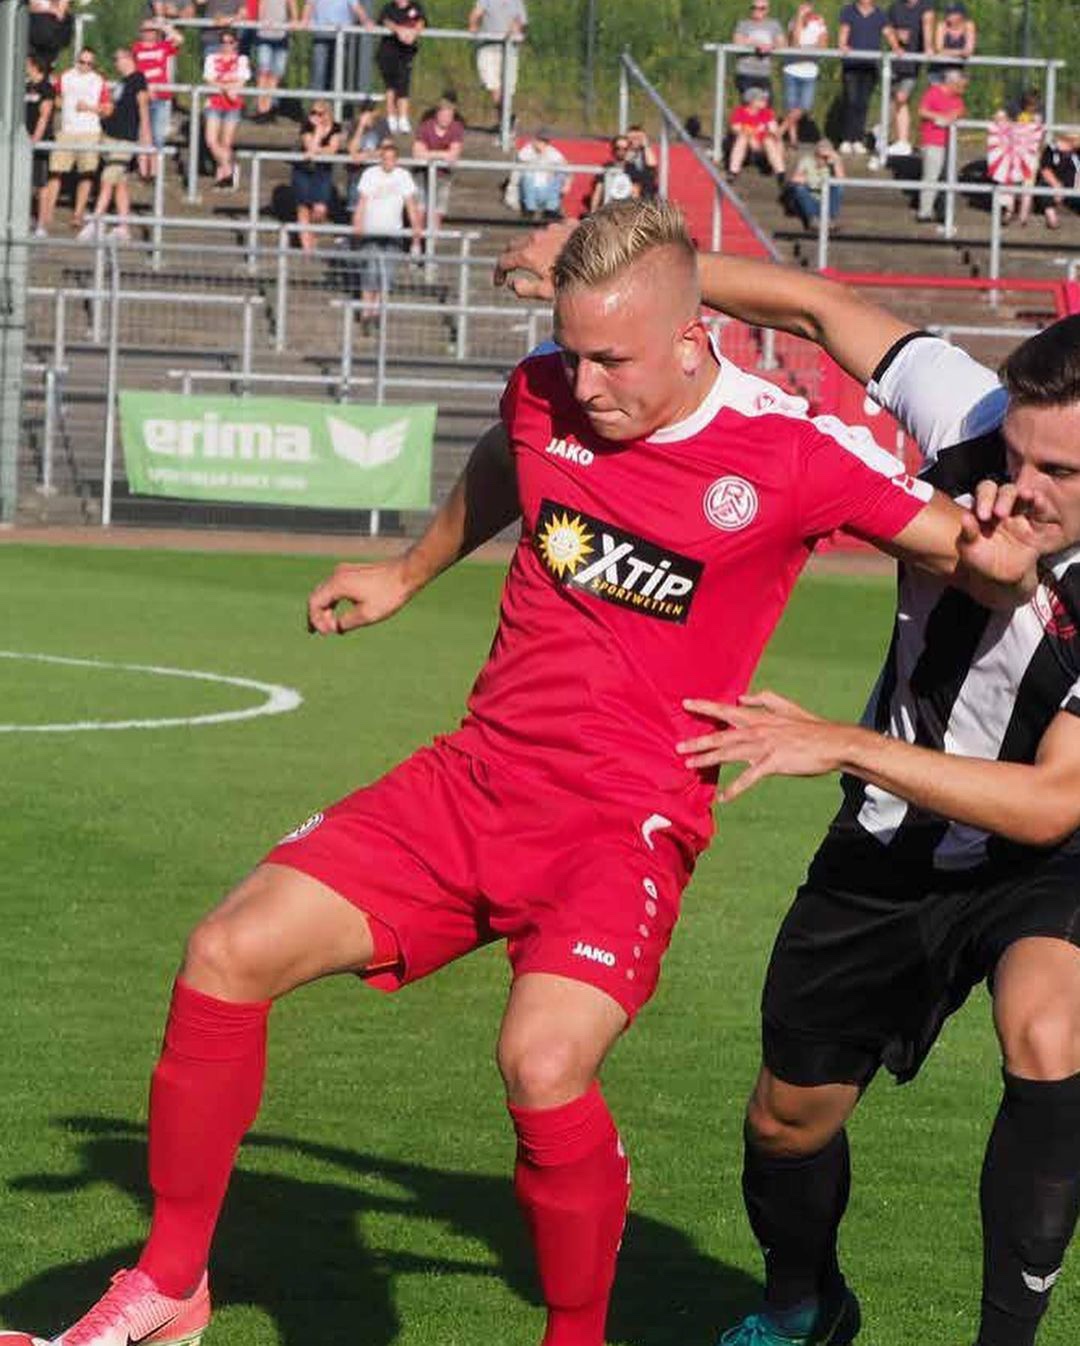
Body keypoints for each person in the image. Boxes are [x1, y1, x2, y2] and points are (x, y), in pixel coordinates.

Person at [31, 198, 1038, 1346]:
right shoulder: (544, 392)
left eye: (613, 360)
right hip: (476, 778)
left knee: (543, 1061)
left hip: (626, 822)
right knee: (225, 950)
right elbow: (508, 461)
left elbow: (974, 556)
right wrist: (408, 572)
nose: (585, 382)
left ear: (693, 337)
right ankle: (171, 1285)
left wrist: (1005, 555)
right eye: (572, 351)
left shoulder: (792, 450)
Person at [609, 255, 1080, 1346]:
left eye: (1059, 469)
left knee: (1049, 1034)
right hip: (887, 846)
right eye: (1015, 454)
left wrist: (841, 742)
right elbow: (818, 308)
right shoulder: (967, 410)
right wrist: (653, 265)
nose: (1022, 485)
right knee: (787, 1121)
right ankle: (804, 1303)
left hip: (1044, 857)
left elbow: (1054, 804)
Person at [81, 46, 153, 242]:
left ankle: (95, 221)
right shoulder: (123, 82)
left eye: (117, 59)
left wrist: (146, 145)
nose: (115, 63)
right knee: (120, 183)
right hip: (112, 136)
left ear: (128, 59)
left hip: (125, 138)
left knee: (107, 179)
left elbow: (144, 110)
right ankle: (124, 227)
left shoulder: (138, 79)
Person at [38, 48, 111, 237]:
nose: (85, 66)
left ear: (93, 64)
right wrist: (59, 104)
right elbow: (55, 96)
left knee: (86, 173)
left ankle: (78, 213)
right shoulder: (66, 76)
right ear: (76, 61)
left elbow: (108, 109)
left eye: (89, 63)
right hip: (67, 131)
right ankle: (47, 212)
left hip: (89, 132)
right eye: (81, 62)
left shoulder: (98, 81)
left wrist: (90, 108)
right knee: (55, 172)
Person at [351, 136, 423, 324]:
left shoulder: (403, 176)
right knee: (370, 271)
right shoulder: (370, 174)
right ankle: (366, 311)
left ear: (396, 160)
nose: (388, 162)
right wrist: (357, 223)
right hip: (371, 230)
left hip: (393, 232)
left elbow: (411, 205)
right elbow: (362, 202)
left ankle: (378, 311)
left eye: (392, 159)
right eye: (385, 158)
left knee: (386, 273)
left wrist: (416, 229)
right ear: (380, 159)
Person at [837, 0, 894, 155]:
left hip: (870, 66)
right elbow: (844, 32)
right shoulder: (848, 10)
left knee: (863, 103)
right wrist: (842, 44)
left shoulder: (880, 13)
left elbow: (888, 33)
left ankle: (857, 139)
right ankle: (846, 139)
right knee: (851, 101)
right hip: (852, 65)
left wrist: (896, 47)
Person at [202, 27, 251, 188]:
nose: (226, 45)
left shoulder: (242, 60)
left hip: (233, 105)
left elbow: (241, 81)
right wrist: (226, 88)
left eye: (230, 42)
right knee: (211, 141)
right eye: (223, 42)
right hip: (215, 102)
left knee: (225, 143)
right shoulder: (212, 58)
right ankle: (229, 169)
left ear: (236, 43)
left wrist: (223, 86)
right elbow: (209, 80)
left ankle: (222, 177)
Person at [468, 0, 527, 131]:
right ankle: (506, 120)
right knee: (492, 84)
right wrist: (473, 25)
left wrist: (517, 29)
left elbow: (522, 23)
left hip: (509, 48)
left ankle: (505, 123)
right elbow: (475, 14)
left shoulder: (517, 2)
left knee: (508, 87)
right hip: (488, 47)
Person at [987, 94, 1044, 229]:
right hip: (1013, 155)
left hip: (1029, 155)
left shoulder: (1037, 118)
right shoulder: (1013, 114)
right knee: (1009, 180)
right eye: (1030, 105)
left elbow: (1039, 136)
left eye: (1034, 106)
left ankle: (1023, 215)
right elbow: (998, 119)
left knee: (1028, 184)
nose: (1032, 109)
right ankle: (1009, 211)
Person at [916, 65, 966, 221]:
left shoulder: (957, 98)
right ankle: (924, 211)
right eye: (960, 85)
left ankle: (944, 212)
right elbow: (922, 111)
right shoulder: (933, 92)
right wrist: (939, 117)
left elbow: (959, 111)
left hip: (949, 143)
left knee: (948, 176)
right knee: (931, 176)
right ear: (951, 83)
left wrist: (953, 116)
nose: (963, 89)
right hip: (933, 141)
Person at [886, 0, 935, 155]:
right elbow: (887, 29)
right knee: (894, 100)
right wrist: (896, 38)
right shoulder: (895, 7)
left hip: (913, 63)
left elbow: (928, 25)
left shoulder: (926, 6)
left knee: (901, 97)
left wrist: (928, 47)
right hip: (896, 61)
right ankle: (900, 139)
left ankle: (899, 138)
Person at [292, 99, 342, 249]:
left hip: (322, 171)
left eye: (320, 113)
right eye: (313, 113)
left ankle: (311, 234)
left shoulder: (335, 127)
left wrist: (316, 150)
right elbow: (309, 146)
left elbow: (332, 150)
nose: (316, 116)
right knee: (303, 208)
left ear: (328, 114)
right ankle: (306, 248)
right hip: (303, 170)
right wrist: (318, 131)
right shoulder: (306, 126)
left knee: (320, 210)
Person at [132, 17, 184, 163]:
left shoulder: (163, 46)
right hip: (143, 96)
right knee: (143, 135)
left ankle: (156, 169)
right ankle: (143, 169)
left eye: (152, 30)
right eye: (146, 30)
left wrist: (163, 27)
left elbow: (179, 39)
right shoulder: (136, 48)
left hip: (161, 96)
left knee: (158, 136)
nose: (149, 33)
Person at [411, 93, 464, 230]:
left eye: (450, 116)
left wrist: (429, 154)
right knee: (419, 211)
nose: (447, 119)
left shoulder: (456, 128)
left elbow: (454, 154)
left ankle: (433, 241)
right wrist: (442, 154)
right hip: (421, 174)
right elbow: (417, 154)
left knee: (437, 213)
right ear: (437, 114)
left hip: (443, 175)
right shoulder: (425, 127)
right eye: (444, 115)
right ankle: (416, 241)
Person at [779, 3, 828, 149]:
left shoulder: (819, 23)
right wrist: (799, 19)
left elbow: (823, 46)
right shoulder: (793, 22)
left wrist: (808, 49)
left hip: (810, 71)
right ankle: (793, 140)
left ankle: (779, 131)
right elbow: (795, 43)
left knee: (805, 106)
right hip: (791, 70)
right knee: (791, 106)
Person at [375, 0, 426, 135]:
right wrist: (399, 30)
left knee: (403, 84)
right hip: (388, 52)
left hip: (406, 54)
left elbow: (421, 21)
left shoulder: (416, 7)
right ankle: (391, 118)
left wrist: (413, 33)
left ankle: (403, 118)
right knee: (390, 86)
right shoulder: (388, 7)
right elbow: (385, 21)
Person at [302, 0, 372, 94]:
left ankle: (333, 100)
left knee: (338, 71)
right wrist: (304, 20)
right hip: (321, 34)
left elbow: (357, 7)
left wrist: (366, 21)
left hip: (341, 36)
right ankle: (318, 101)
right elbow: (309, 4)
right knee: (319, 70)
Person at [24, 52, 56, 237]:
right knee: (24, 182)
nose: (25, 67)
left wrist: (35, 140)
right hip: (24, 141)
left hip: (40, 142)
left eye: (27, 64)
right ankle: (26, 217)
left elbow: (44, 116)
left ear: (35, 66)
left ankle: (41, 225)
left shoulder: (46, 88)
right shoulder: (27, 86)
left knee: (40, 184)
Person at [727, 86, 787, 182]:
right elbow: (735, 128)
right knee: (743, 138)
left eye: (765, 99)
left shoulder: (767, 112)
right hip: (747, 143)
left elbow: (774, 130)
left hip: (763, 144)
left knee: (768, 141)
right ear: (752, 102)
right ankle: (733, 171)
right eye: (761, 99)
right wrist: (752, 134)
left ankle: (780, 173)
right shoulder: (740, 111)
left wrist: (771, 131)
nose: (765, 101)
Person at [252, 0, 300, 120]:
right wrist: (260, 22)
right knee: (263, 71)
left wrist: (294, 20)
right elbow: (260, 5)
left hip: (281, 35)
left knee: (276, 73)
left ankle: (268, 108)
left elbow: (292, 3)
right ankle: (260, 108)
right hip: (264, 35)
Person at [785, 136, 844, 230]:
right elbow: (795, 179)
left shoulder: (833, 164)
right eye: (821, 156)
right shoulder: (806, 161)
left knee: (839, 188)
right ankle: (813, 219)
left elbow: (841, 181)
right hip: (811, 198)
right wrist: (813, 181)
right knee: (799, 189)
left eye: (826, 157)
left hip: (827, 199)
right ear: (816, 154)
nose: (823, 160)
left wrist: (836, 161)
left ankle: (830, 219)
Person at [731, 0, 785, 103]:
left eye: (761, 8)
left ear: (767, 10)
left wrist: (770, 46)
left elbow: (782, 43)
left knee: (766, 105)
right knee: (750, 105)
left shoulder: (774, 25)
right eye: (754, 7)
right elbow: (737, 41)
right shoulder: (743, 24)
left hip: (764, 74)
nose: (757, 10)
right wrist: (757, 44)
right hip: (745, 72)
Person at [514, 126, 569, 221]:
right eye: (541, 140)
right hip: (530, 188)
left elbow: (565, 165)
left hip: (546, 187)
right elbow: (521, 162)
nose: (543, 143)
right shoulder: (526, 150)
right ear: (535, 140)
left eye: (546, 141)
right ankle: (529, 209)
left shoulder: (552, 151)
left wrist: (567, 183)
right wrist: (539, 155)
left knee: (559, 175)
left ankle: (550, 209)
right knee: (528, 175)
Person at [1038, 130, 1080, 231]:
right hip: (1054, 187)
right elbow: (1045, 170)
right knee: (1044, 186)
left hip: (1073, 189)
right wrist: (1057, 186)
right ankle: (1051, 217)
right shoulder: (1052, 150)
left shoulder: (1076, 152)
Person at [587, 134, 638, 212]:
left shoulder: (632, 169)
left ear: (628, 150)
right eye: (618, 148)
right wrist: (593, 212)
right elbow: (598, 192)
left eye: (625, 149)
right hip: (608, 210)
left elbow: (635, 194)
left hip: (626, 211)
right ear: (613, 149)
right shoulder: (606, 168)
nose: (621, 151)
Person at [929, 0, 975, 83]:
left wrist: (950, 52)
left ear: (961, 15)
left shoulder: (968, 26)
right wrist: (959, 52)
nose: (948, 15)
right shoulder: (941, 25)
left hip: (956, 71)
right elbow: (939, 49)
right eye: (947, 12)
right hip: (937, 70)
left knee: (957, 80)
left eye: (951, 13)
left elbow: (969, 51)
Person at [28, 0, 73, 66]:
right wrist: (51, 8)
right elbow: (33, 5)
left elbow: (60, 13)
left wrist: (46, 7)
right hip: (36, 34)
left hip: (52, 38)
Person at [625, 124, 658, 199]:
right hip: (629, 189)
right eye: (632, 138)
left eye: (638, 138)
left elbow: (652, 164)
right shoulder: (625, 151)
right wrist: (631, 150)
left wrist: (646, 146)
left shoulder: (646, 152)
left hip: (646, 190)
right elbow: (625, 164)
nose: (634, 141)